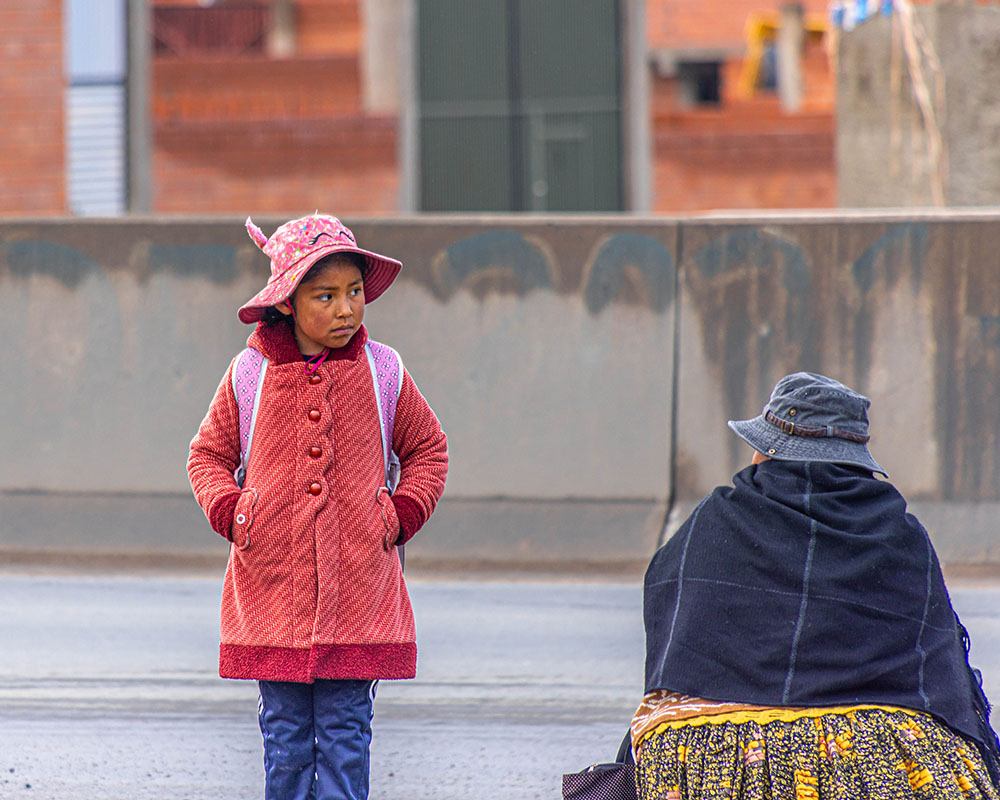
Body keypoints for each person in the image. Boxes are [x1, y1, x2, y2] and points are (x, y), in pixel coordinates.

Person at [634, 372, 1000, 800]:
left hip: (712, 760)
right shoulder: (898, 535)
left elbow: (670, 646)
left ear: (765, 452)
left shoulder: (711, 522)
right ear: (855, 459)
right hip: (865, 760)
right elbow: (940, 678)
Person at [188, 214, 448, 800]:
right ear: (286, 302)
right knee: (284, 739)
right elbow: (207, 455)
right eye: (325, 296)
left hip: (359, 595)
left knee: (345, 735)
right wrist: (234, 513)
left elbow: (428, 449)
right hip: (271, 595)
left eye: (354, 292)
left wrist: (401, 513)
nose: (345, 309)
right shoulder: (250, 375)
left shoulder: (383, 371)